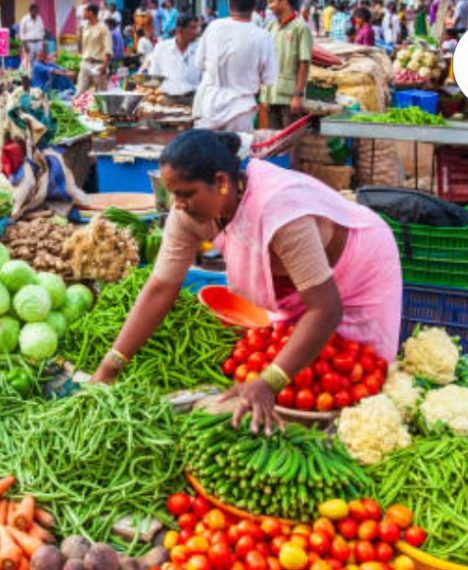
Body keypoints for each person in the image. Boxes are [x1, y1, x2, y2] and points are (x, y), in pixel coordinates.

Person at [91, 130, 402, 434]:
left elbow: (325, 310)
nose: (178, 205)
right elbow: (161, 288)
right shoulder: (187, 215)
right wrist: (111, 365)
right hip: (299, 285)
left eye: (185, 194)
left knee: (356, 377)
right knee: (303, 371)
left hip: (358, 266)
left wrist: (269, 381)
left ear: (222, 183)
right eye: (173, 194)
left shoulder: (278, 208)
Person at [192, 0, 277, 132]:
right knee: (237, 150)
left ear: (229, 4)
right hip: (241, 111)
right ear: (254, 7)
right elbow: (269, 78)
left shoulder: (214, 27)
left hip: (209, 106)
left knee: (206, 150)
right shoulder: (263, 37)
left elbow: (199, 63)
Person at [260, 0, 311, 129]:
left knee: (289, 141)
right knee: (274, 140)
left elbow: (304, 63)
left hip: (289, 97)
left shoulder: (301, 28)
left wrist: (298, 95)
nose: (269, 5)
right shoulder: (270, 27)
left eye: (272, 1)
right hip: (271, 95)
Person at [144, 15, 201, 96]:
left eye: (197, 28)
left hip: (193, 99)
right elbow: (154, 75)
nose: (196, 32)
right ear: (180, 30)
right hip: (166, 100)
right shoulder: (162, 48)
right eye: (193, 28)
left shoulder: (199, 49)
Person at [76, 5, 112, 95]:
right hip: (86, 63)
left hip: (98, 65)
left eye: (85, 11)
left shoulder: (103, 28)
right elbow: (81, 46)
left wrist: (104, 65)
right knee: (80, 92)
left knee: (101, 94)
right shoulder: (85, 27)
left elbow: (108, 48)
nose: (82, 14)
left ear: (91, 13)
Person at [19, 4, 46, 70]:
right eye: (34, 11)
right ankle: (28, 75)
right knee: (28, 60)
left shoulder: (39, 19)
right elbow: (22, 32)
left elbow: (42, 31)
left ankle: (35, 74)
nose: (36, 12)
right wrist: (25, 44)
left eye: (37, 11)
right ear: (30, 11)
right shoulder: (25, 19)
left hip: (38, 42)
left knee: (38, 60)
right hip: (29, 43)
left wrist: (42, 43)